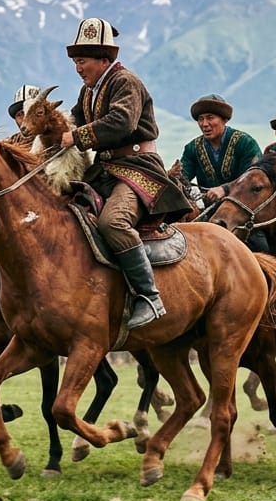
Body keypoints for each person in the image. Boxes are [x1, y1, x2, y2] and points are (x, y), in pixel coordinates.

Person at [59, 17, 192, 329]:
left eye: (83, 61)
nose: (78, 68)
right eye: (76, 62)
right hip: (104, 170)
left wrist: (75, 138)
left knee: (113, 223)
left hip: (137, 169)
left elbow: (122, 122)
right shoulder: (87, 91)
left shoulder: (125, 82)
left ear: (104, 59)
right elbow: (74, 122)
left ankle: (149, 296)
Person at [179, 94, 261, 205]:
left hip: (243, 210)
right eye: (200, 119)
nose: (204, 124)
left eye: (210, 118)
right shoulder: (192, 148)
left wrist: (225, 189)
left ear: (224, 119)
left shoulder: (245, 143)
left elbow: (254, 177)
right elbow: (182, 177)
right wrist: (173, 177)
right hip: (210, 213)